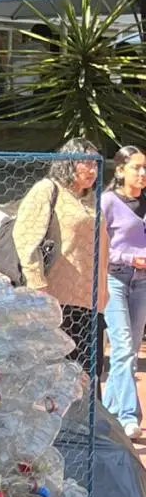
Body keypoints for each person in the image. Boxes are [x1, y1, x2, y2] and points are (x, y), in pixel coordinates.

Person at [13, 137, 108, 381]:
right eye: (86, 163)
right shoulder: (48, 190)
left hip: (91, 301)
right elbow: (25, 236)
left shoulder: (93, 199)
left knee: (89, 374)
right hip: (57, 299)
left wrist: (103, 293)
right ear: (69, 162)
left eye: (96, 164)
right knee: (57, 375)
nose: (93, 170)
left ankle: (87, 409)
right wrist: (37, 284)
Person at [101, 145, 146, 439]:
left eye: (145, 168)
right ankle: (129, 417)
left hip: (142, 282)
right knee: (123, 347)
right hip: (115, 280)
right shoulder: (107, 202)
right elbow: (99, 247)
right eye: (136, 167)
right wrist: (131, 258)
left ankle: (106, 411)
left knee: (129, 350)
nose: (142, 173)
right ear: (120, 170)